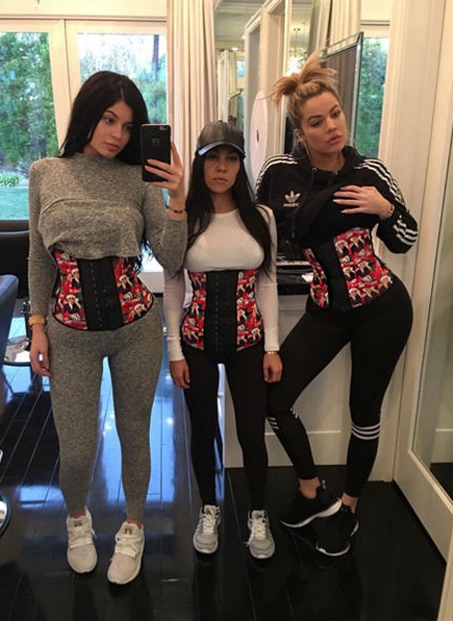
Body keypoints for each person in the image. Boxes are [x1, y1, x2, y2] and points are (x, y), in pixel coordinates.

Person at [255, 53, 418, 557]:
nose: (331, 127)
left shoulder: (370, 171)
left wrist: (384, 209)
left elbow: (406, 238)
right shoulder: (281, 173)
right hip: (325, 307)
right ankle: (312, 490)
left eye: (336, 114)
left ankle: (349, 508)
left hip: (382, 308)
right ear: (300, 133)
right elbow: (261, 238)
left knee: (363, 412)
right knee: (274, 399)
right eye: (316, 122)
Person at [27, 71, 187, 583]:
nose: (118, 134)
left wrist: (178, 199)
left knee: (135, 434)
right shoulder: (46, 173)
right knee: (76, 448)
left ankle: (133, 526)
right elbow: (38, 257)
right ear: (87, 115)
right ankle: (78, 519)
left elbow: (171, 257)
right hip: (68, 332)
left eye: (129, 126)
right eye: (108, 119)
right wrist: (36, 324)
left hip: (135, 327)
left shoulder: (138, 178)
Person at [163, 121, 283, 559]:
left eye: (231, 159)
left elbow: (267, 282)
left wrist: (272, 346)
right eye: (213, 158)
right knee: (202, 430)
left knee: (251, 432)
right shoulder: (186, 217)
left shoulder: (261, 217)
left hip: (249, 340)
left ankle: (257, 513)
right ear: (199, 163)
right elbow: (173, 284)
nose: (221, 167)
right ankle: (209, 508)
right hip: (196, 339)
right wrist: (174, 351)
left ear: (240, 165)